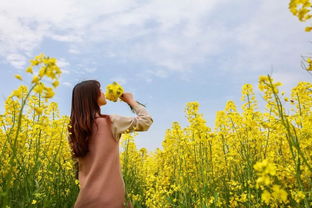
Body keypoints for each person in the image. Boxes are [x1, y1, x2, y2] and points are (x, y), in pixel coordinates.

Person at [68, 80, 153, 208]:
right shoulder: (110, 122)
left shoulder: (74, 130)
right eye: (100, 90)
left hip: (86, 200)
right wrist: (131, 101)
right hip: (112, 199)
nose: (103, 93)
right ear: (93, 96)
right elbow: (146, 121)